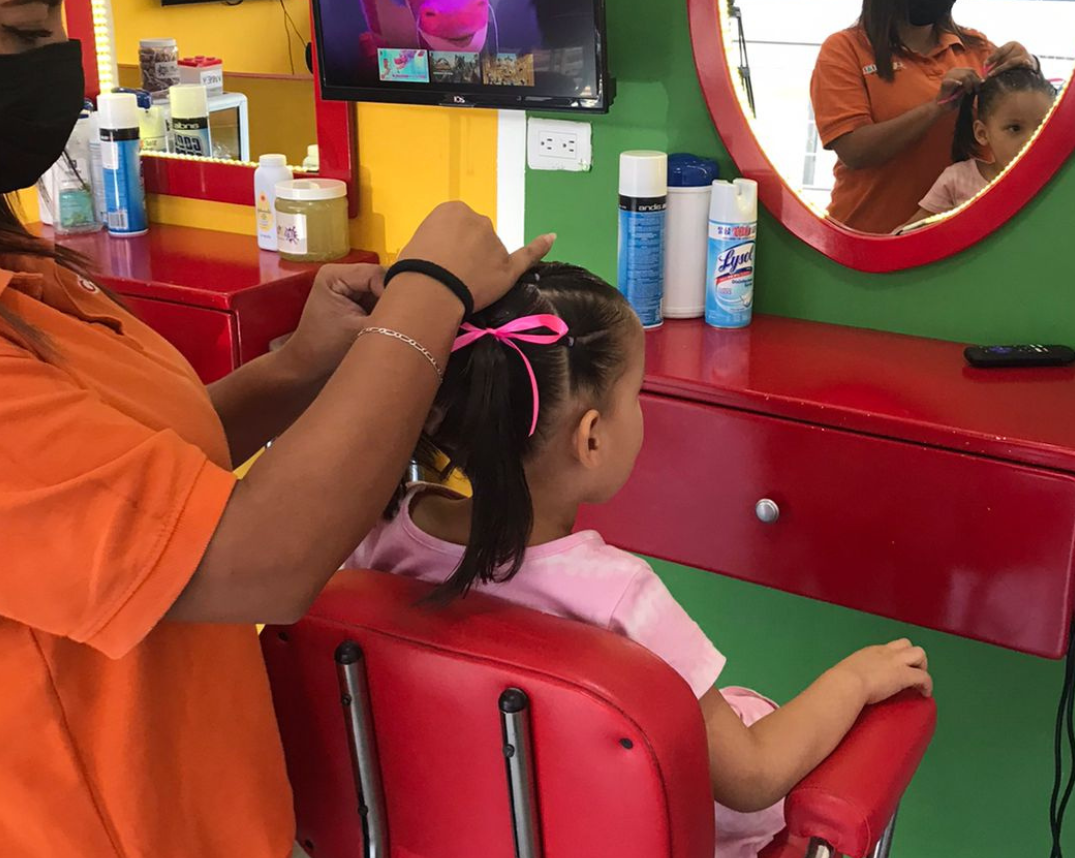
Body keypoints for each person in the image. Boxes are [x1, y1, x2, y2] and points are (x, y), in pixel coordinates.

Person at [0, 0, 554, 857]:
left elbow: (126, 491)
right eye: (26, 30)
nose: (57, 65)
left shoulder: (24, 274)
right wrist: (427, 292)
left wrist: (300, 369)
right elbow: (253, 561)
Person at [345, 262, 933, 858]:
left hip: (465, 829)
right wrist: (855, 678)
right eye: (638, 394)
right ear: (592, 437)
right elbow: (752, 776)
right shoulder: (620, 599)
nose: (642, 411)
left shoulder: (384, 533)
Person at [810, 0, 1037, 234]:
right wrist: (936, 107)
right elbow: (855, 150)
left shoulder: (976, 48)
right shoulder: (845, 50)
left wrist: (1027, 71)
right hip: (868, 239)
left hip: (963, 245)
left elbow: (1026, 135)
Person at [897, 66, 1056, 231]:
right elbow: (906, 235)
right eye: (1014, 128)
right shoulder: (957, 180)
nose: (1032, 139)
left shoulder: (1057, 181)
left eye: (1044, 126)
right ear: (982, 133)